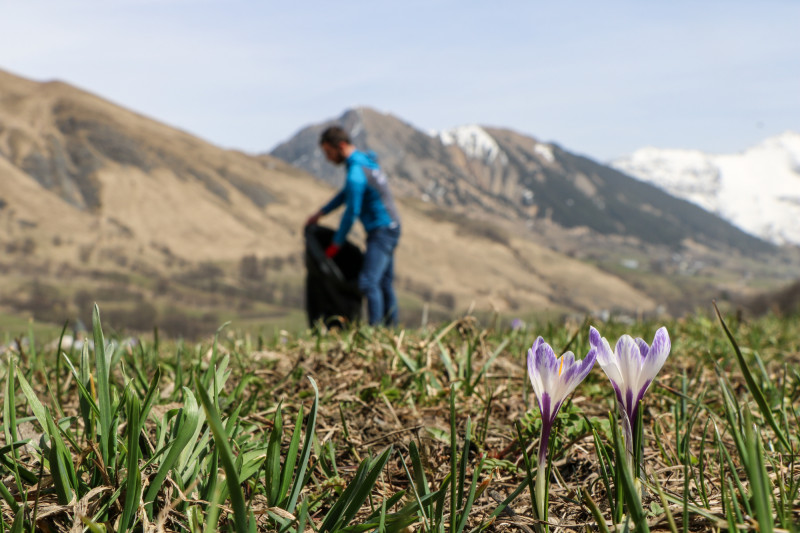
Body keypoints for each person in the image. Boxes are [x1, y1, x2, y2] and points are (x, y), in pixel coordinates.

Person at [305, 126, 401, 326]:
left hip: (381, 231)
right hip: (390, 227)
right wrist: (322, 213)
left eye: (329, 153)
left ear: (340, 146)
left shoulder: (356, 171)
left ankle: (376, 331)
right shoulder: (364, 163)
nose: (328, 159)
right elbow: (346, 194)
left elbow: (351, 212)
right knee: (383, 282)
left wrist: (336, 244)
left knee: (368, 282)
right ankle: (391, 328)